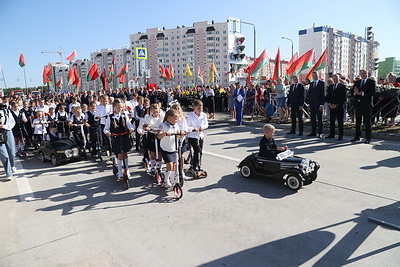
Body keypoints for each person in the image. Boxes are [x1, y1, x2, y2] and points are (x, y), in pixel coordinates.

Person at [104, 100, 134, 181]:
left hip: (124, 136)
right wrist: (107, 132)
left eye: (121, 107)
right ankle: (120, 171)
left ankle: (127, 169)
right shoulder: (110, 117)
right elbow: (106, 128)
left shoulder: (124, 115)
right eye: (118, 107)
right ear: (114, 108)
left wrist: (131, 128)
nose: (120, 109)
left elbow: (129, 124)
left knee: (125, 153)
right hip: (116, 137)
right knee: (120, 154)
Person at [158, 109, 181, 187]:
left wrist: (181, 134)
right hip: (165, 148)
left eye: (177, 118)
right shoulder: (163, 125)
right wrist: (165, 133)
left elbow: (178, 135)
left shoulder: (176, 125)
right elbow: (159, 136)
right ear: (169, 118)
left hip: (174, 148)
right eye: (175, 118)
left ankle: (172, 180)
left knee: (174, 165)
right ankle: (166, 180)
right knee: (170, 165)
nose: (177, 120)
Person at [352, 69, 376, 144]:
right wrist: (355, 93)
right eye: (361, 73)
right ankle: (357, 137)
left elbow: (373, 93)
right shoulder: (358, 82)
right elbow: (352, 91)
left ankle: (368, 138)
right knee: (358, 121)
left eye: (364, 73)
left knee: (367, 121)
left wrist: (362, 93)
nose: (363, 75)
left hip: (366, 104)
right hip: (358, 104)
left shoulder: (371, 82)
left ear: (367, 73)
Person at [186, 99, 208, 172]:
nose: (200, 110)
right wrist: (193, 129)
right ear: (194, 108)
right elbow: (187, 126)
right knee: (197, 150)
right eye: (198, 108)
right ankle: (195, 165)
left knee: (200, 151)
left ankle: (198, 164)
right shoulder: (190, 116)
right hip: (193, 136)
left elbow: (206, 124)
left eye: (201, 108)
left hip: (200, 135)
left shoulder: (203, 115)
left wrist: (203, 127)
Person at [143, 103, 164, 174]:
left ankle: (160, 167)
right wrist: (147, 128)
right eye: (154, 112)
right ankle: (152, 167)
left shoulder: (162, 117)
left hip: (160, 134)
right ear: (151, 111)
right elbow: (145, 126)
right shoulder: (148, 117)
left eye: (157, 111)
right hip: (152, 134)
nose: (156, 113)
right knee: (153, 152)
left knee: (160, 152)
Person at [325, 74, 347, 140]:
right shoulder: (330, 87)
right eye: (334, 79)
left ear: (338, 78)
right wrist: (329, 104)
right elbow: (328, 97)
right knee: (332, 121)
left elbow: (343, 98)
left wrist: (336, 105)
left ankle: (341, 135)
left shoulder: (342, 86)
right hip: (331, 107)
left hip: (339, 107)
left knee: (340, 121)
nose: (335, 80)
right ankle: (332, 134)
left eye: (336, 78)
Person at [0, 103, 16, 181]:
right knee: (4, 155)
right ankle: (8, 173)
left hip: (7, 131)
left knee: (12, 152)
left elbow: (12, 122)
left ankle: (12, 165)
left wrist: (4, 126)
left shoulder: (6, 111)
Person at [307, 72, 326, 138]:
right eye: (313, 75)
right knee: (313, 118)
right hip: (312, 104)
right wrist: (309, 104)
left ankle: (320, 132)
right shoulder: (312, 84)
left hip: (319, 104)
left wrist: (321, 104)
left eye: (316, 75)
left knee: (319, 119)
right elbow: (309, 94)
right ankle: (313, 132)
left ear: (318, 75)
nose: (314, 76)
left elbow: (323, 94)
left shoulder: (322, 83)